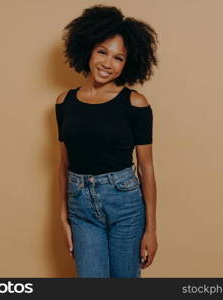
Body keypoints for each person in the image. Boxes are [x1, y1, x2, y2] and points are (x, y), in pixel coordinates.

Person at [54, 4, 158, 278]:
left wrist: (151, 229)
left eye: (118, 58)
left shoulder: (135, 103)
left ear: (128, 63)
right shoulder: (64, 102)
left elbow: (146, 168)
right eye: (102, 51)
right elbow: (63, 163)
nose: (107, 63)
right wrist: (62, 217)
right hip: (81, 207)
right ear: (87, 48)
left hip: (125, 203)